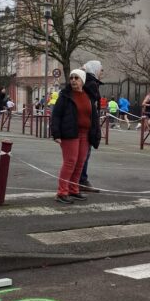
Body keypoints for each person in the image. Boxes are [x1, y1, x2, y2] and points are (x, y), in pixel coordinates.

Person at [51, 68, 101, 203]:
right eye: (71, 78)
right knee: (70, 162)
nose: (73, 80)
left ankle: (73, 190)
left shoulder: (88, 95)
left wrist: (96, 133)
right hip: (70, 133)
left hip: (85, 134)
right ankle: (62, 192)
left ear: (82, 81)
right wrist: (56, 133)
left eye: (76, 78)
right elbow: (56, 115)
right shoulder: (65, 95)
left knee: (80, 163)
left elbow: (94, 116)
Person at [78, 60, 103, 192]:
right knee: (84, 153)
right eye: (101, 69)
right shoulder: (91, 83)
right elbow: (89, 106)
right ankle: (81, 180)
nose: (102, 72)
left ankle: (79, 180)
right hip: (86, 123)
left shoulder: (85, 81)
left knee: (82, 153)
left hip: (84, 122)